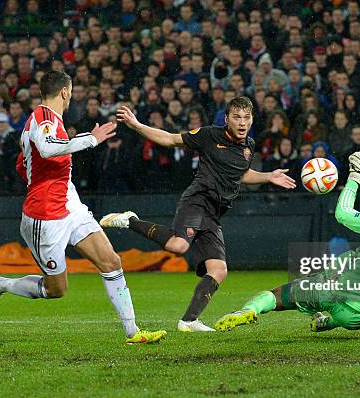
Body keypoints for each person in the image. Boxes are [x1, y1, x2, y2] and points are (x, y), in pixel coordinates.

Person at [0, 71, 165, 345]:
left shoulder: (51, 121)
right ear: (65, 92)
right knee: (57, 289)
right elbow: (46, 148)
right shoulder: (42, 117)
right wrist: (92, 139)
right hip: (45, 215)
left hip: (68, 202)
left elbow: (24, 164)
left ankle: (133, 332)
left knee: (111, 261)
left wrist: (48, 180)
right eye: (71, 90)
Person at [100, 96, 296, 332]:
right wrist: (138, 126)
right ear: (227, 119)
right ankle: (130, 221)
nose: (242, 122)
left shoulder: (249, 146)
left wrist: (268, 176)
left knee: (218, 270)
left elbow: (240, 174)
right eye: (237, 117)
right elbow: (171, 140)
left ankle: (189, 321)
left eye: (247, 117)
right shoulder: (209, 135)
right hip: (198, 200)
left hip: (214, 213)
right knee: (178, 246)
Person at [214, 153, 360, 333]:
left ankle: (249, 310)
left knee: (286, 294)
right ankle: (326, 322)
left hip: (335, 291)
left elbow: (342, 213)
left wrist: (355, 177)